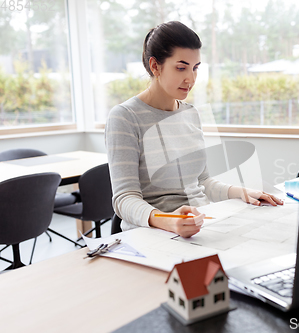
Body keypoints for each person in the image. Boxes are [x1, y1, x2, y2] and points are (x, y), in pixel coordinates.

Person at [105, 21, 282, 238]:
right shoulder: (124, 117)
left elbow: (202, 182)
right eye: (181, 68)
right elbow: (124, 199)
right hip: (154, 234)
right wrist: (168, 221)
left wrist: (242, 192)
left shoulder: (191, 113)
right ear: (155, 66)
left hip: (201, 223)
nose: (191, 79)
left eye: (195, 68)